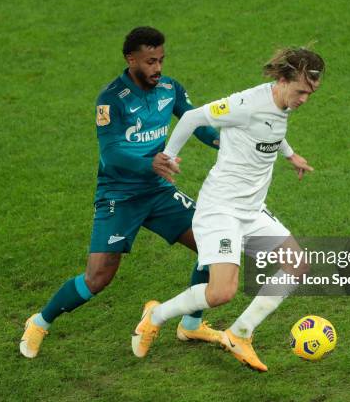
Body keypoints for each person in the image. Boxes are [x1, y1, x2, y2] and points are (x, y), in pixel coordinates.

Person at [20, 26, 223, 358]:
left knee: (212, 246)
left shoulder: (170, 89)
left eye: (161, 59)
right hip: (120, 196)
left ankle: (190, 324)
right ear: (131, 60)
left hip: (158, 191)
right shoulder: (111, 99)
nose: (157, 68)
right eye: (150, 61)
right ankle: (40, 321)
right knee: (97, 278)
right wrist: (150, 164)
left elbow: (195, 123)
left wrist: (225, 143)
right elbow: (111, 153)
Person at [132, 47, 324, 371]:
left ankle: (240, 334)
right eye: (301, 91)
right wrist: (170, 155)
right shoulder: (247, 104)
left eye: (311, 93)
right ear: (282, 80)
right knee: (221, 292)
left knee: (297, 265)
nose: (304, 99)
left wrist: (290, 155)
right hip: (220, 210)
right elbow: (193, 118)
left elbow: (273, 132)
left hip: (251, 210)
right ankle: (156, 315)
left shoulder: (283, 103)